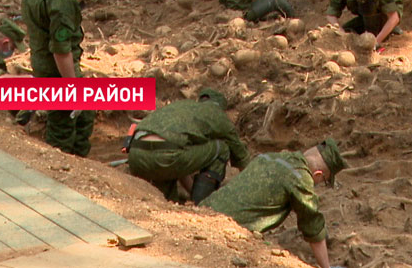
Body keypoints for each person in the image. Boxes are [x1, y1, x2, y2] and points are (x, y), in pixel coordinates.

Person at [201, 139, 348, 268]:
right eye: (323, 180)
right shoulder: (300, 177)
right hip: (224, 231)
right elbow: (313, 227)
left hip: (203, 211)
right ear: (318, 174)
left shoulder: (273, 156)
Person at [22, 0, 95, 156]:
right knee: (62, 127)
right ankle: (62, 170)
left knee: (85, 115)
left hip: (42, 61)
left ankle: (80, 164)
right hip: (57, 71)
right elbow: (61, 50)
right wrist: (72, 90)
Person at [128, 88, 250, 204]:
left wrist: (191, 191)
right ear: (220, 107)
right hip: (166, 157)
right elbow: (241, 157)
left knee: (168, 167)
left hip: (136, 157)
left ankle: (170, 202)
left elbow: (180, 162)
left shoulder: (182, 109)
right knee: (221, 148)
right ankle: (201, 204)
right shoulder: (215, 113)